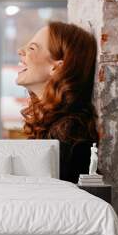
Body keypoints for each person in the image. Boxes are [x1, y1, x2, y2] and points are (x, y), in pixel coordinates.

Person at [17, 21, 99, 183]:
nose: (20, 51)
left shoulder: (69, 131)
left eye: (31, 48)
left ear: (57, 67)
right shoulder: (56, 124)